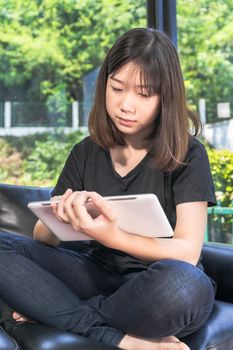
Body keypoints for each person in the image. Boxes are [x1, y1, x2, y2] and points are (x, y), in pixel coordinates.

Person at [0, 28, 216, 350]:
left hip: (159, 282)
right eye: (117, 88)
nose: (126, 105)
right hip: (96, 273)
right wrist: (62, 218)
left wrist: (112, 236)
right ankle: (114, 336)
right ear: (104, 86)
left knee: (183, 286)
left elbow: (187, 252)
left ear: (165, 97)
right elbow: (42, 238)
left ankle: (52, 310)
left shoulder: (188, 153)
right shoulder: (86, 152)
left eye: (144, 94)